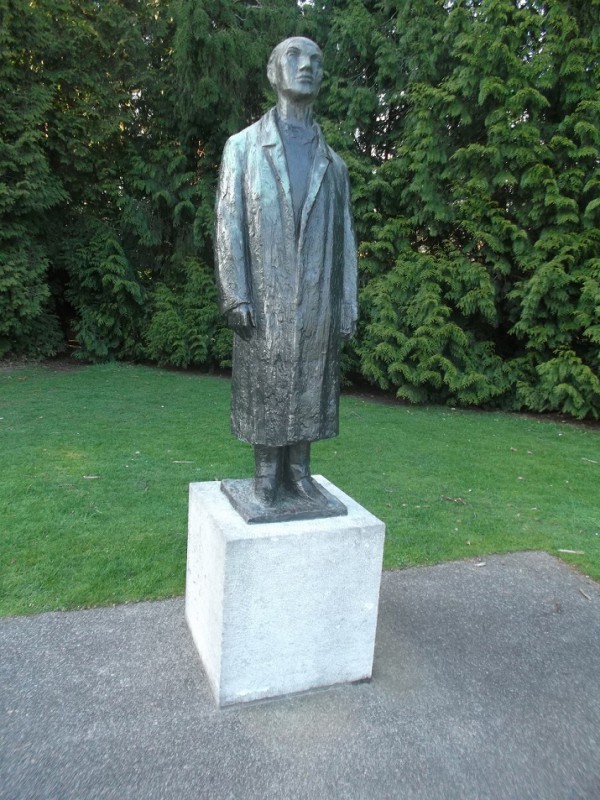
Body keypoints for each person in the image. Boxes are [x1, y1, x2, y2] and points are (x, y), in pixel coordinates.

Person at [215, 36, 358, 509]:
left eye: (317, 60)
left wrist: (348, 302)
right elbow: (228, 223)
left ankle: (299, 471)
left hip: (318, 296)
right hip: (264, 295)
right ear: (274, 73)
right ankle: (265, 474)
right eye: (295, 58)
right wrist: (235, 294)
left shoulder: (333, 165)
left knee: (311, 380)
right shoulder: (244, 148)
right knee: (266, 380)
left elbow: (347, 241)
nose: (307, 66)